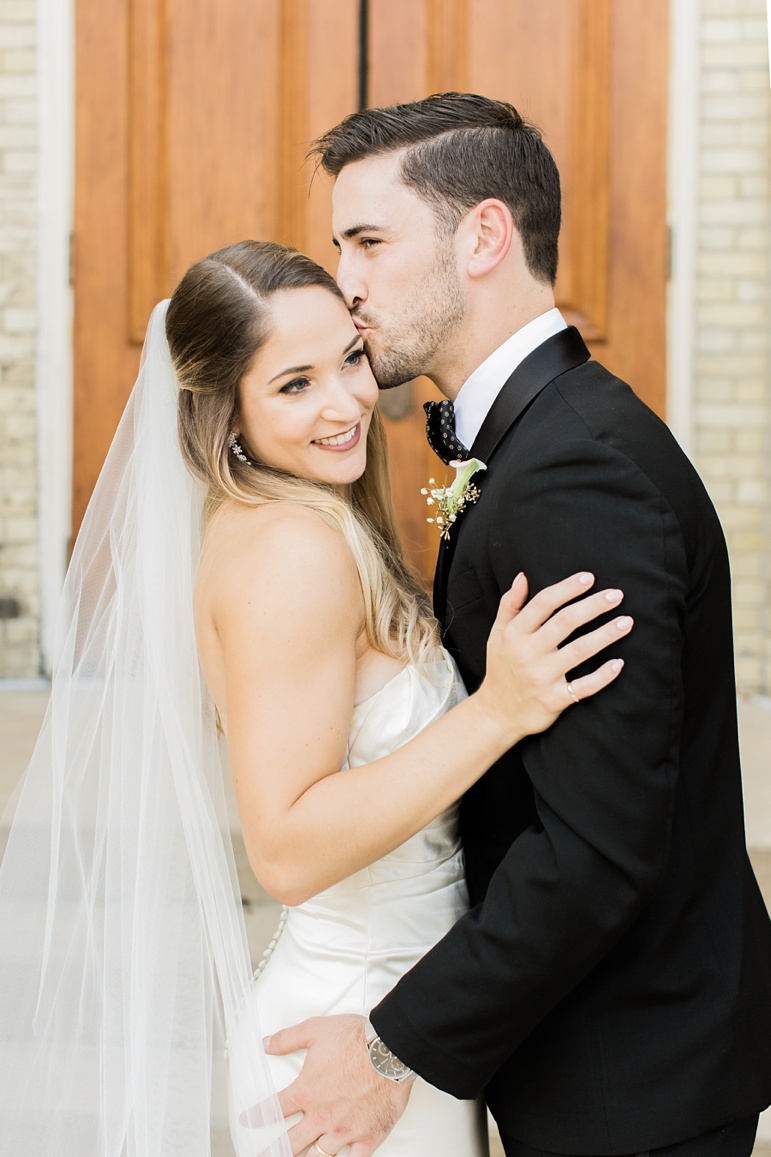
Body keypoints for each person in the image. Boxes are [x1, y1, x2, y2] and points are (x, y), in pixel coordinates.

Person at [0, 239, 628, 1157]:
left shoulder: (302, 519)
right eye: (293, 384)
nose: (344, 404)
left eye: (348, 359)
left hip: (394, 1014)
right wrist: (496, 710)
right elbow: (287, 849)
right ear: (228, 416)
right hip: (346, 1034)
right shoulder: (292, 552)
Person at [263, 94, 771, 1157]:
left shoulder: (577, 471)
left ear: (484, 235)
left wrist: (393, 1046)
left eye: (369, 242)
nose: (342, 283)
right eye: (336, 245)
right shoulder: (542, 441)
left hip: (630, 1077)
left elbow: (594, 848)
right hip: (591, 1057)